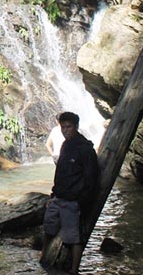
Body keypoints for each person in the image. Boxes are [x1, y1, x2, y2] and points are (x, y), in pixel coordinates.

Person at [40, 112, 98, 275]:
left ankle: (74, 270)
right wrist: (53, 195)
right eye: (63, 127)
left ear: (76, 127)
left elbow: (90, 178)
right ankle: (42, 257)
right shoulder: (65, 145)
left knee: (74, 237)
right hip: (58, 197)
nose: (65, 130)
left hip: (73, 200)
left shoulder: (85, 149)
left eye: (68, 127)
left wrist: (81, 201)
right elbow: (60, 173)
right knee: (48, 227)